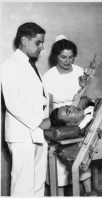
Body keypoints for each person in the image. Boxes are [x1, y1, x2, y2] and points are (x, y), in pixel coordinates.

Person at [1, 22, 51, 196]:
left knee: (38, 184)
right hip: (22, 136)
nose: (42, 47)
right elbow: (13, 103)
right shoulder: (10, 66)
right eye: (38, 42)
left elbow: (39, 98)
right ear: (24, 40)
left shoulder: (30, 66)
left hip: (38, 134)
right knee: (23, 186)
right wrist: (40, 122)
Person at [43, 35, 94, 196]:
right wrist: (52, 131)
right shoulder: (49, 76)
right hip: (59, 118)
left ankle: (89, 193)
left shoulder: (79, 71)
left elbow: (89, 95)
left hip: (80, 115)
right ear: (55, 56)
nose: (67, 61)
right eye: (63, 57)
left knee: (82, 157)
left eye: (71, 57)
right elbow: (49, 106)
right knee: (59, 164)